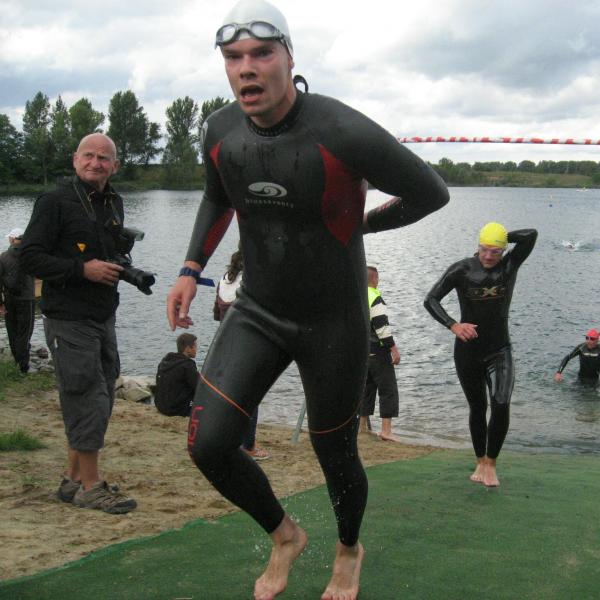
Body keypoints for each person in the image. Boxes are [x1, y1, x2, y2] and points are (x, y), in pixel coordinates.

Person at [165, 1, 449, 598]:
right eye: (233, 57)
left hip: (334, 321)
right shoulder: (220, 130)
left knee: (334, 452)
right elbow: (217, 196)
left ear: (289, 58)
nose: (247, 68)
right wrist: (191, 268)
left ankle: (348, 548)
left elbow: (431, 192)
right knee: (208, 444)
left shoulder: (341, 130)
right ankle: (285, 534)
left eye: (261, 54)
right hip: (259, 311)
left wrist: (364, 224)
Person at [19, 133, 136, 514]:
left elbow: (108, 252)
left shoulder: (114, 202)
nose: (95, 163)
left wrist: (122, 267)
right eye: (89, 155)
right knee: (86, 395)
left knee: (103, 395)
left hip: (103, 314)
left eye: (104, 158)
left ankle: (72, 480)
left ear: (115, 166)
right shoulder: (54, 202)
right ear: (75, 159)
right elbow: (29, 257)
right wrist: (81, 270)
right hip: (68, 316)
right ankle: (91, 486)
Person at [424, 222, 537, 488]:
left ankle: (491, 463)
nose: (488, 256)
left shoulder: (509, 265)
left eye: (495, 251)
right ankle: (479, 461)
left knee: (501, 402)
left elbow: (531, 235)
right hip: (468, 351)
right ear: (477, 246)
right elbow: (430, 299)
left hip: (500, 349)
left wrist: (501, 237)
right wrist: (453, 325)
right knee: (478, 407)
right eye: (484, 249)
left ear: (503, 251)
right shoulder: (462, 269)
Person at [215, 247, 269, 460]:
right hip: (247, 344)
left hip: (223, 342)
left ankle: (225, 440)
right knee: (250, 397)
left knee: (229, 395)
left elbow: (216, 313)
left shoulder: (223, 280)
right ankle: (249, 445)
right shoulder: (253, 280)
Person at [359, 265, 401, 442]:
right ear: (375, 279)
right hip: (378, 351)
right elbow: (381, 327)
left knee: (366, 389)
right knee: (388, 390)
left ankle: (361, 427)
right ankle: (386, 431)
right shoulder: (375, 297)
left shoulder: (358, 295)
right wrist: (394, 349)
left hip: (362, 351)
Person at [0, 227, 36, 373]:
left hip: (9, 299)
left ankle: (17, 361)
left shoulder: (3, 257)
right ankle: (23, 365)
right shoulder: (30, 256)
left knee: (12, 330)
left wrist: (0, 304)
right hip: (27, 299)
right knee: (25, 332)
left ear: (12, 239)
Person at [155, 333, 199, 417]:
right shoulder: (188, 365)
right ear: (187, 348)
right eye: (195, 346)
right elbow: (198, 387)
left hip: (161, 406)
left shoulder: (166, 361)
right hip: (176, 409)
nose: (196, 349)